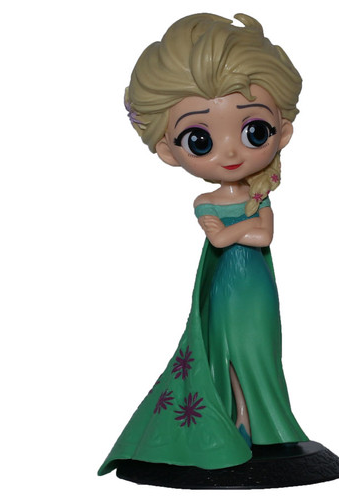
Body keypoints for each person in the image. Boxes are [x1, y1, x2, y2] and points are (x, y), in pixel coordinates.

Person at [98, 12, 308, 476]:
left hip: (255, 290)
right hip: (226, 291)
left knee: (260, 349)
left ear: (283, 132)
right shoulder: (206, 200)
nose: (230, 152)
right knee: (224, 350)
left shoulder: (260, 195)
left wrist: (232, 232)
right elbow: (231, 234)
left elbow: (261, 235)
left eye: (254, 131)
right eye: (200, 139)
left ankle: (272, 428)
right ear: (168, 150)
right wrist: (236, 231)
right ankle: (236, 424)